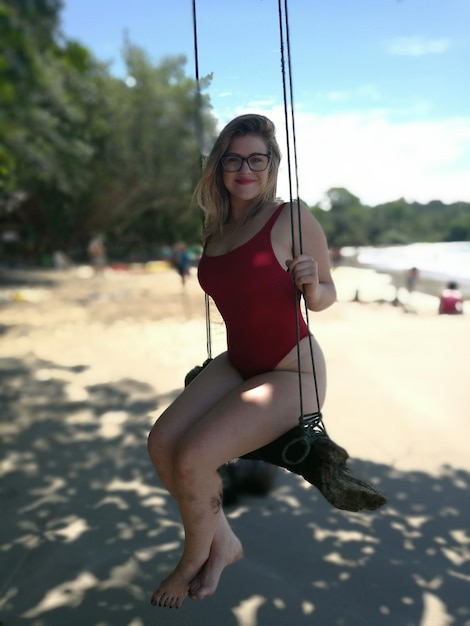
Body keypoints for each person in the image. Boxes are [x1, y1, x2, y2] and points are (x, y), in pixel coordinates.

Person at [147, 114, 384, 610]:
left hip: (291, 371)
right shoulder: (217, 228)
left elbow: (324, 299)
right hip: (239, 361)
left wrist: (313, 282)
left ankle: (195, 559)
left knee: (193, 456)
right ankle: (225, 542)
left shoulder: (292, 217)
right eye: (234, 159)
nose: (245, 169)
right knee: (163, 442)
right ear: (220, 166)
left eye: (257, 159)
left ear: (272, 165)